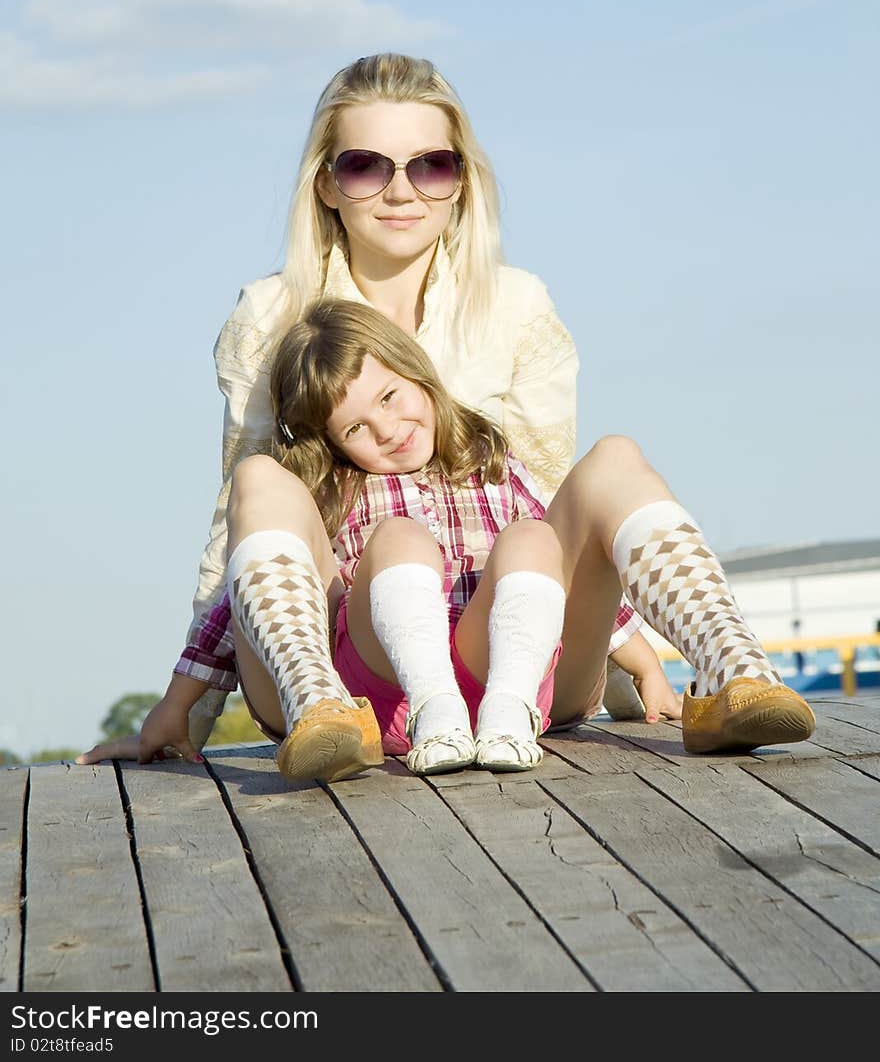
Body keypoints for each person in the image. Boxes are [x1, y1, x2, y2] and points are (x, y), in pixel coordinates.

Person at [78, 52, 813, 772]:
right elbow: (237, 527)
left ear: (462, 180)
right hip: (350, 645)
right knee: (261, 481)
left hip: (509, 651)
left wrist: (630, 666)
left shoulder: (517, 305)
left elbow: (551, 512)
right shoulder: (271, 318)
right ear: (327, 185)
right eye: (367, 165)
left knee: (614, 459)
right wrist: (187, 710)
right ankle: (323, 710)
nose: (402, 191)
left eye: (431, 165)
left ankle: (736, 676)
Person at [105, 301, 681, 777]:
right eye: (355, 427)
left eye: (389, 397)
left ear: (417, 374)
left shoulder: (488, 459)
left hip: (502, 671)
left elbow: (559, 570)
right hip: (376, 691)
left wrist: (646, 666)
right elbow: (246, 600)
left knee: (533, 536)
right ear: (330, 441)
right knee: (397, 537)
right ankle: (420, 706)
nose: (386, 430)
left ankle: (506, 717)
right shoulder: (330, 488)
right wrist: (177, 704)